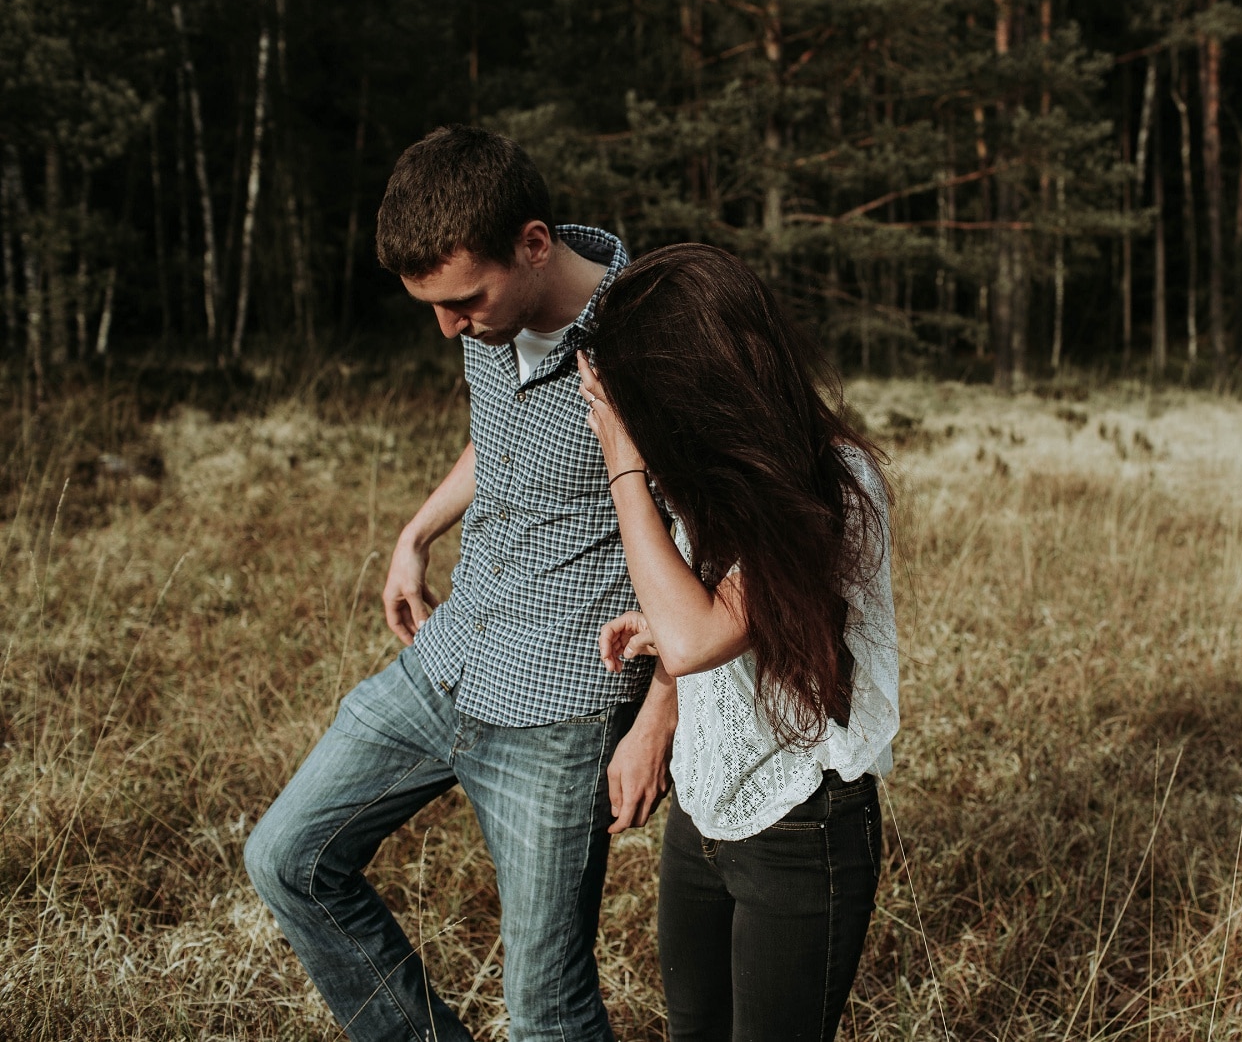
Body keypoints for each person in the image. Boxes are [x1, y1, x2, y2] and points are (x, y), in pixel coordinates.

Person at [243, 125, 677, 1042]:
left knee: (546, 1012)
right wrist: (415, 531)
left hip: (560, 705)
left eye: (462, 301)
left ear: (532, 242)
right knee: (288, 856)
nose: (448, 327)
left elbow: (715, 541)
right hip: (450, 652)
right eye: (433, 307)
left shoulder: (658, 342)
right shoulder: (495, 313)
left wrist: (661, 713)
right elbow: (505, 434)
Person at [576, 243, 900, 1041]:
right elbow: (720, 616)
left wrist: (624, 467)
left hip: (801, 825)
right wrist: (662, 651)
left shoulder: (838, 482)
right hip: (703, 803)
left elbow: (701, 635)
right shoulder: (720, 472)